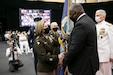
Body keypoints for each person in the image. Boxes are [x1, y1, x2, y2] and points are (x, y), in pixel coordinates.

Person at [59, 3, 99, 75]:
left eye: (71, 14)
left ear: (75, 13)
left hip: (82, 67)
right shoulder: (89, 20)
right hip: (88, 65)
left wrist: (64, 60)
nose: (70, 16)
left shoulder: (81, 25)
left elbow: (75, 48)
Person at [95, 9, 113, 75]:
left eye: (98, 15)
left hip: (106, 56)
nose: (96, 17)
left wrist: (112, 55)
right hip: (97, 55)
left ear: (103, 16)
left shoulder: (108, 26)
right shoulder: (95, 26)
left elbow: (112, 41)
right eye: (96, 15)